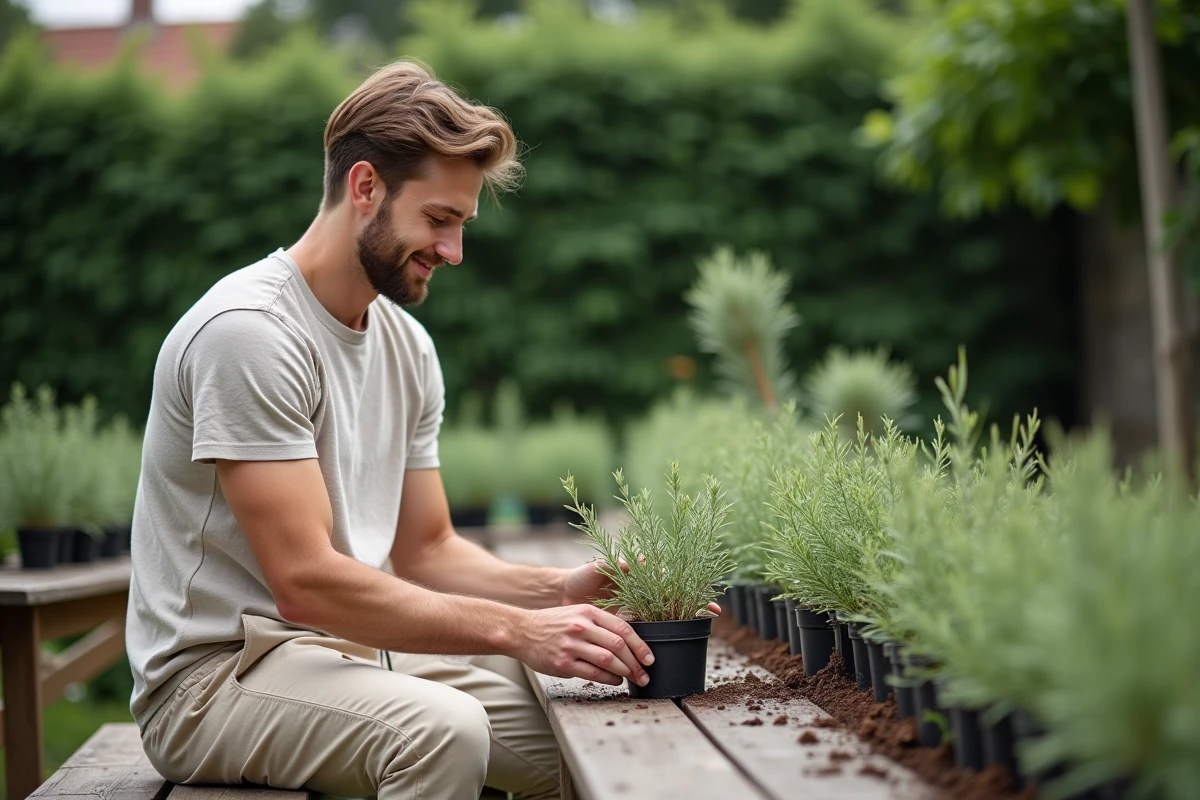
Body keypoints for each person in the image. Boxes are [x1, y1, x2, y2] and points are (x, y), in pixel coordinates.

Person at [126, 60, 660, 800]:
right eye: (440, 220)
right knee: (444, 732)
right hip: (216, 680)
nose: (454, 251)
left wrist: (557, 589)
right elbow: (306, 584)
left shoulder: (405, 348)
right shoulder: (249, 333)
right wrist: (516, 630)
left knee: (585, 738)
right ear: (366, 186)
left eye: (461, 225)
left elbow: (426, 548)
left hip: (351, 653)